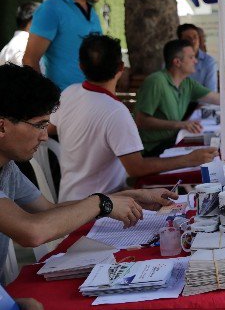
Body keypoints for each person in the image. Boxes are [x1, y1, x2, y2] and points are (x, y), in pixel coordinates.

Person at [0, 64, 177, 283]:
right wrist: (101, 203)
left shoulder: (6, 167)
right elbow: (33, 231)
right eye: (39, 125)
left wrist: (129, 196)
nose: (45, 136)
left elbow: (45, 211)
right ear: (2, 127)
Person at [51, 34, 218, 202]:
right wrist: (189, 159)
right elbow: (136, 168)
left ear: (80, 66)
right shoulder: (115, 112)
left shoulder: (68, 93)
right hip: (99, 207)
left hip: (69, 200)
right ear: (121, 68)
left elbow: (52, 127)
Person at [136, 39, 225, 156]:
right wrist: (180, 124)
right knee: (212, 155)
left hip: (174, 140)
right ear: (177, 62)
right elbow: (141, 121)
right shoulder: (156, 82)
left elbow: (219, 99)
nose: (196, 61)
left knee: (215, 152)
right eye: (191, 57)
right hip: (152, 149)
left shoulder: (187, 83)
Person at [23, 0, 108, 90]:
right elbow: (30, 61)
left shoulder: (92, 12)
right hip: (63, 103)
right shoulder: (51, 9)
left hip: (92, 100)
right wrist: (46, 101)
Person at [177, 23, 218, 91]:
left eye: (195, 37)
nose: (193, 41)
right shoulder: (173, 60)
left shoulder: (209, 62)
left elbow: (211, 92)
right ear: (180, 41)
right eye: (188, 38)